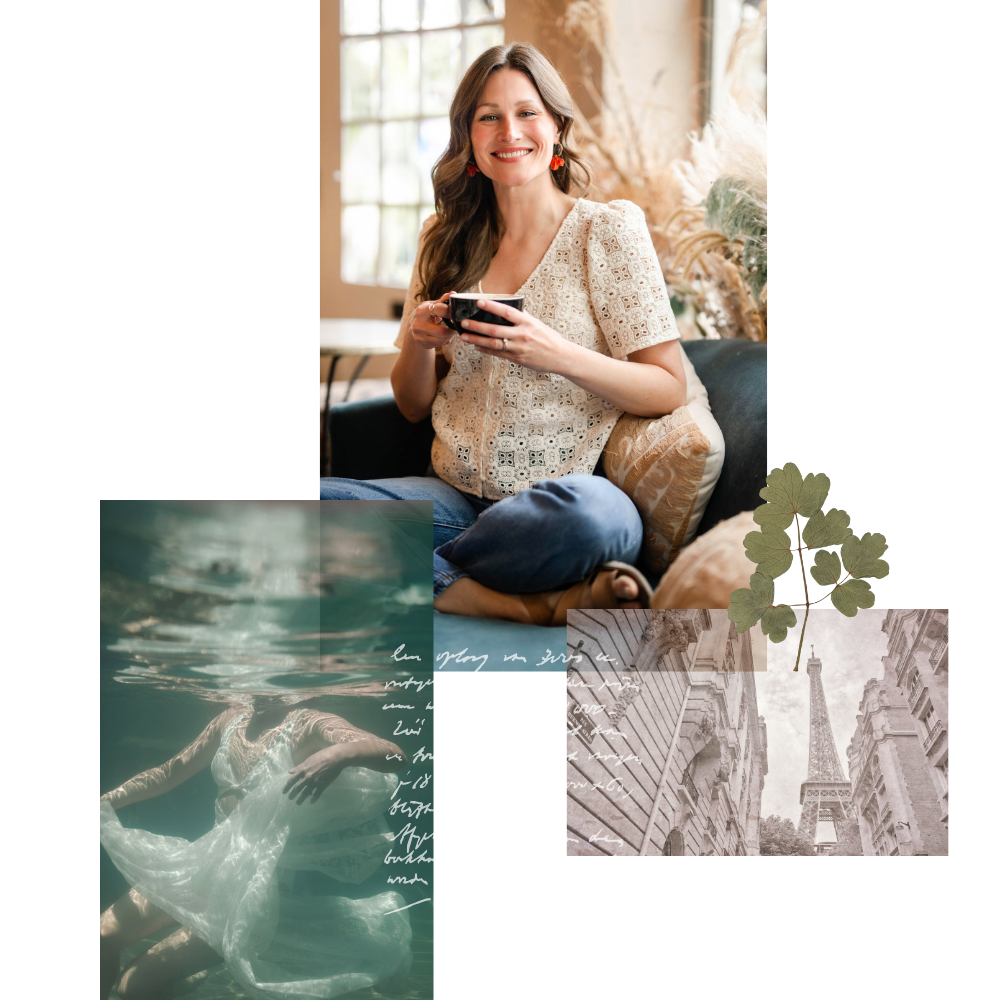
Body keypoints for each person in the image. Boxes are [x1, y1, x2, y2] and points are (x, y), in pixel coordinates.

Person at [319, 42, 686, 626]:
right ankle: (501, 599)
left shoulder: (607, 233)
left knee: (597, 522)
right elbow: (413, 407)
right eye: (487, 116)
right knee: (308, 505)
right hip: (451, 500)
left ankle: (409, 570)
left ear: (557, 128)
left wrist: (557, 354)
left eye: (527, 112)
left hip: (555, 505)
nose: (508, 131)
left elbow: (669, 386)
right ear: (468, 137)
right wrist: (418, 341)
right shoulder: (442, 238)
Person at [100, 696, 413, 999]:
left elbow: (394, 755)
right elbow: (170, 771)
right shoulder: (231, 717)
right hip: (201, 862)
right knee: (102, 937)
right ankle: (179, 973)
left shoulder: (309, 723)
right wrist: (107, 800)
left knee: (132, 988)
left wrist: (338, 755)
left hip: (248, 892)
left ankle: (178, 977)